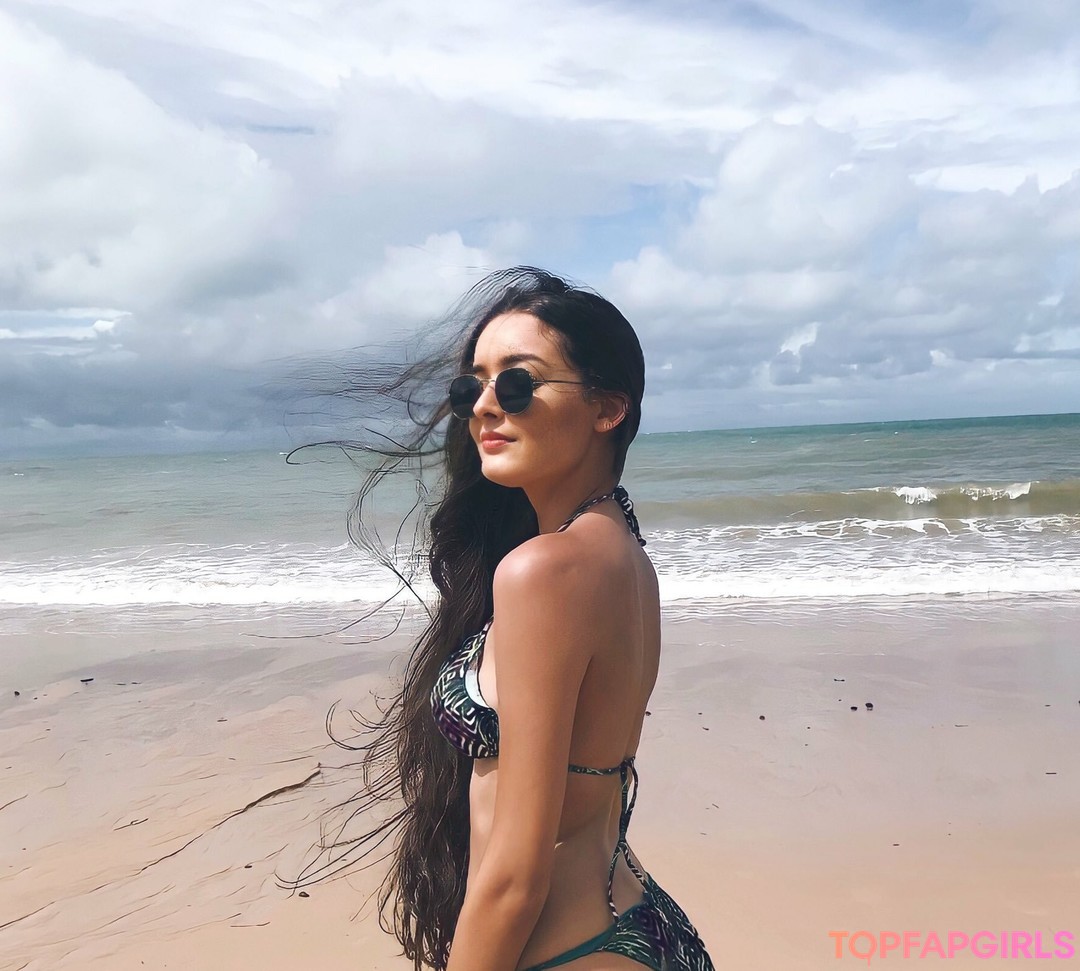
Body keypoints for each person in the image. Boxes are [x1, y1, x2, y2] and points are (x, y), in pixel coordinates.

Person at [300, 268, 714, 971]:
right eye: (472, 387)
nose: (486, 406)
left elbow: (516, 876)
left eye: (518, 383)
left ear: (607, 408)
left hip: (569, 946)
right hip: (640, 923)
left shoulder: (544, 571)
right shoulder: (621, 552)